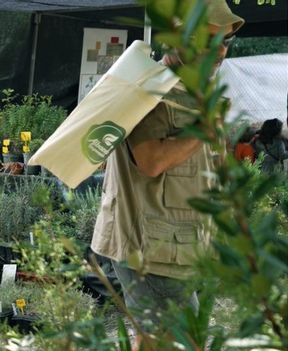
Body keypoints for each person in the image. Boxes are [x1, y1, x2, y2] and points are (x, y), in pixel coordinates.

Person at [91, 0, 244, 331]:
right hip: (152, 251)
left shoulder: (192, 88)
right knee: (182, 346)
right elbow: (151, 161)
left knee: (153, 344)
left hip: (174, 246)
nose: (220, 52)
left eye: (225, 41)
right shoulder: (150, 86)